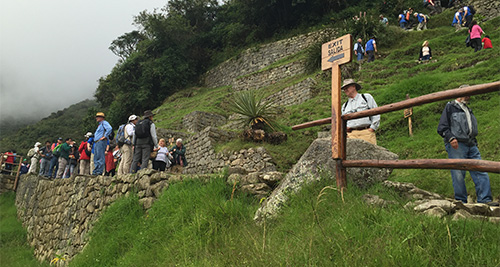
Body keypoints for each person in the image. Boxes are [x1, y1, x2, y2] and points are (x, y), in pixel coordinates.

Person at [437, 86, 498, 206]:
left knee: (481, 169)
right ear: (460, 93)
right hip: (457, 144)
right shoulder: (450, 107)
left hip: (471, 143)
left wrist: (474, 141)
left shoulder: (467, 109)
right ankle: (461, 202)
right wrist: (451, 138)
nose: (469, 96)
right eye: (467, 93)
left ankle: (485, 200)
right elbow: (442, 127)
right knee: (458, 173)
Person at [340, 79, 380, 145]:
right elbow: (343, 121)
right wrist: (346, 133)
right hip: (351, 135)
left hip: (366, 132)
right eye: (344, 89)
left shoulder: (366, 97)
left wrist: (372, 128)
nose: (345, 90)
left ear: (353, 86)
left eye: (347, 87)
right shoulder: (345, 106)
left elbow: (376, 112)